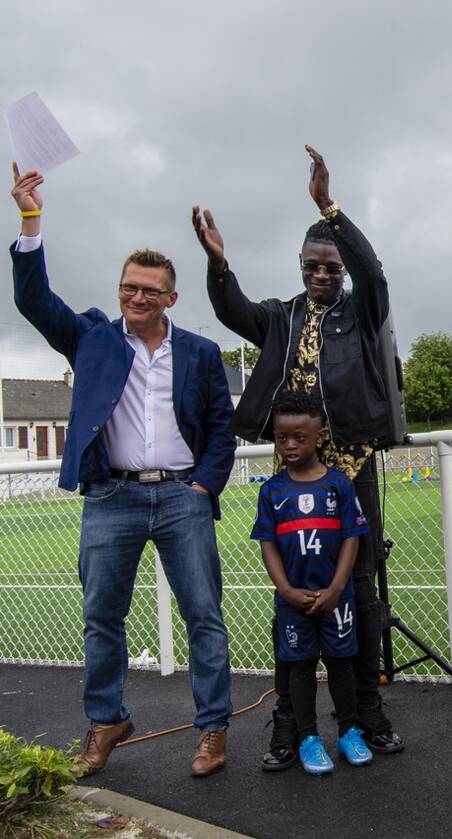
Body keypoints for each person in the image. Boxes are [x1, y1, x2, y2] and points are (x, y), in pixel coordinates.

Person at [10, 164, 235, 777]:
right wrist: (31, 220)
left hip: (182, 497)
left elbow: (221, 429)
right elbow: (33, 299)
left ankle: (213, 729)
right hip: (111, 498)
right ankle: (106, 720)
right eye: (128, 288)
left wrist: (202, 486)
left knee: (203, 616)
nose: (136, 298)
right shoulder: (92, 339)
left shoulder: (201, 352)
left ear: (171, 297)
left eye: (149, 290)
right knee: (101, 616)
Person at [194, 146, 405, 768]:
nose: (322, 274)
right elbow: (230, 310)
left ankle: (366, 717)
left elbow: (377, 277)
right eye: (313, 265)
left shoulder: (361, 312)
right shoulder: (279, 318)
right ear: (300, 266)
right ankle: (289, 728)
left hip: (352, 472)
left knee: (358, 598)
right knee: (290, 599)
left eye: (331, 266)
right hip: (294, 479)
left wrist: (329, 210)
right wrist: (219, 265)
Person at [250, 391, 373, 775]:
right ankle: (307, 737)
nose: (289, 445)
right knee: (299, 667)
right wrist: (286, 590)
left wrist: (337, 588)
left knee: (341, 664)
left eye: (299, 438)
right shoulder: (271, 491)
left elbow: (352, 538)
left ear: (317, 437)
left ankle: (349, 730)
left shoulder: (339, 485)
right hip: (293, 601)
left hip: (338, 598)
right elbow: (267, 544)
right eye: (281, 437)